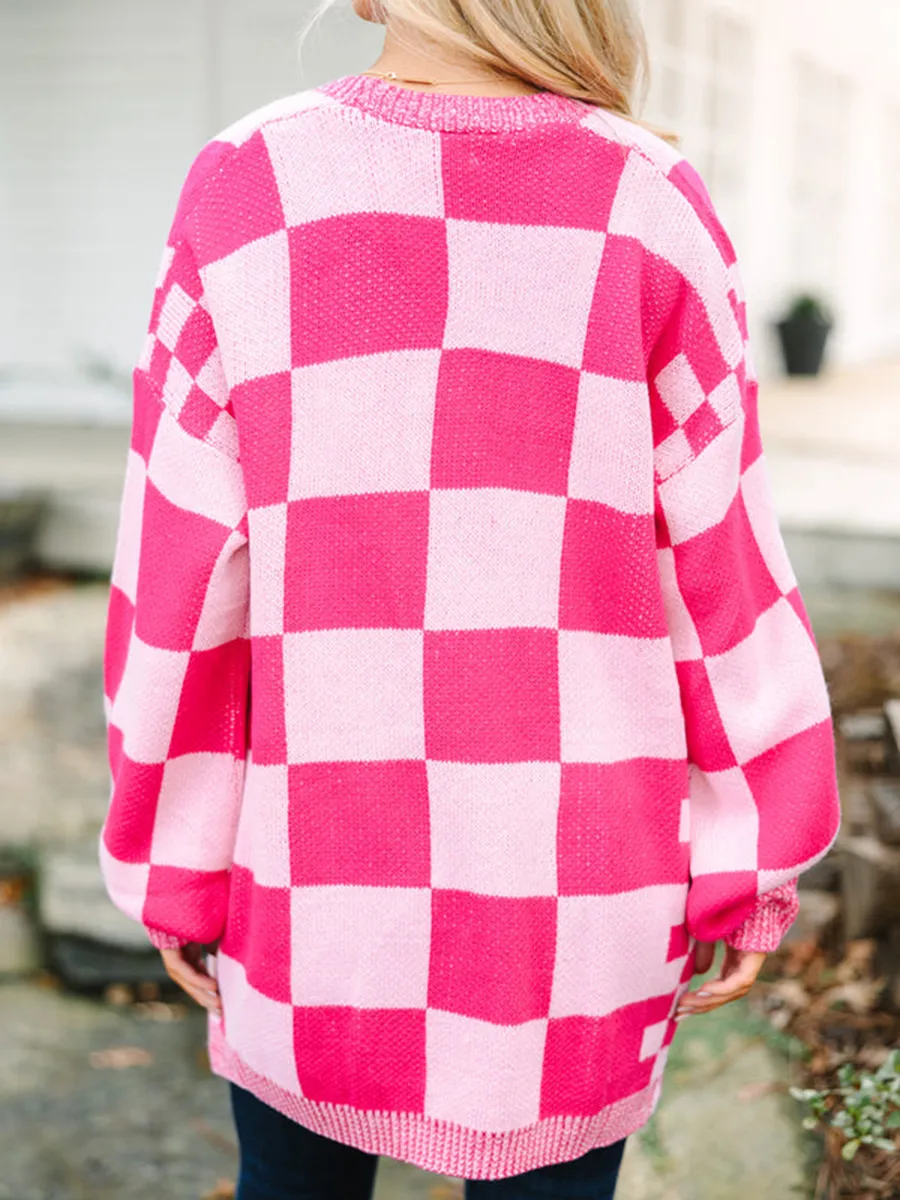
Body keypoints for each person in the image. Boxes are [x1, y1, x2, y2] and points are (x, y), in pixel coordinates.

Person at [98, 0, 842, 1195]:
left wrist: (173, 856)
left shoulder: (250, 185)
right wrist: (749, 857)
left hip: (316, 870)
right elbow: (722, 573)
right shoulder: (649, 197)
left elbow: (181, 585)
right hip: (582, 880)